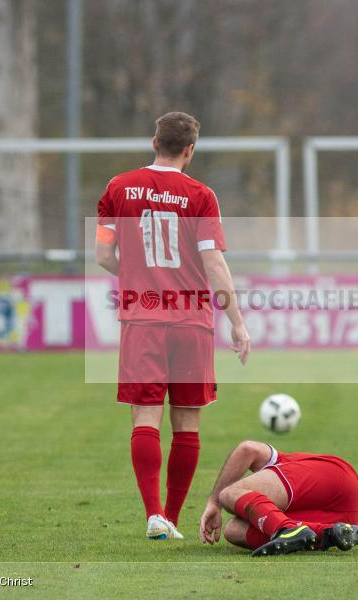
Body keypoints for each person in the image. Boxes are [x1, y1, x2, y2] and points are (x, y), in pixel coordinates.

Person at [96, 111, 251, 540]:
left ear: (153, 143)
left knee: (145, 416)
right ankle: (175, 518)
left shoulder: (117, 188)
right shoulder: (201, 194)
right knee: (187, 422)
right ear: (189, 150)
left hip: (142, 318)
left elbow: (103, 255)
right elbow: (214, 264)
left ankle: (153, 514)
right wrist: (237, 322)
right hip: (191, 322)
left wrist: (136, 277)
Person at [199, 440, 358, 556]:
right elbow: (248, 450)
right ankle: (328, 534)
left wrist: (215, 502)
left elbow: (248, 449)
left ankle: (285, 529)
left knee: (228, 493)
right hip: (342, 520)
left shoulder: (282, 461)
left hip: (334, 474)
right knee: (233, 530)